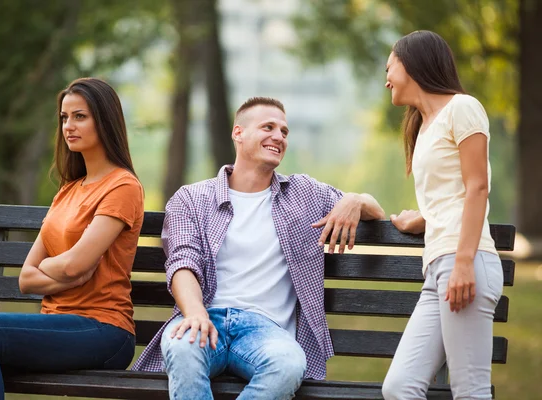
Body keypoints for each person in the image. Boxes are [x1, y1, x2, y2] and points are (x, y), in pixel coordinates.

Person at [131, 97, 385, 399]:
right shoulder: (192, 198)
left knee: (288, 364)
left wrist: (354, 199)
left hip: (267, 332)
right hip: (205, 316)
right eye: (268, 127)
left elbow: (376, 211)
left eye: (284, 132)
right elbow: (182, 262)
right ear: (238, 133)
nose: (278, 136)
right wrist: (195, 312)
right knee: (183, 350)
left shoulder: (304, 194)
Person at [0, 77, 144, 399]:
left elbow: (76, 265)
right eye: (64, 117)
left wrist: (61, 269)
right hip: (56, 324)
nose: (68, 126)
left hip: (103, 330)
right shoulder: (67, 191)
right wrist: (65, 271)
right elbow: (27, 278)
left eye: (80, 116)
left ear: (104, 121)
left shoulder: (122, 187)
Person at [381, 31, 504, 400]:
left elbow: (477, 186)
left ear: (411, 63)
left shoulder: (462, 108)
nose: (386, 78)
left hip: (464, 260)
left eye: (389, 67)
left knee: (469, 390)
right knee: (400, 386)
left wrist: (464, 262)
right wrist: (421, 219)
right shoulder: (424, 126)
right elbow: (450, 191)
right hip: (436, 269)